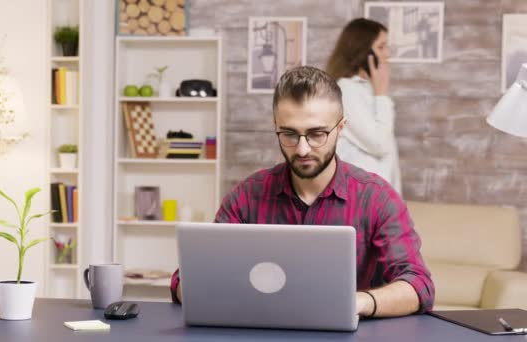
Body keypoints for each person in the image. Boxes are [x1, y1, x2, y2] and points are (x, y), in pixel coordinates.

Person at [170, 66, 434, 318]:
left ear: (341, 129)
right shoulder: (247, 196)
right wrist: (201, 291)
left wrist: (358, 302)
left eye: (317, 134)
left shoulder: (377, 198)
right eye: (289, 134)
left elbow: (418, 285)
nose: (303, 149)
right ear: (276, 126)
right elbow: (185, 280)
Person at [325, 18, 402, 194]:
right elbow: (379, 144)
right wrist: (381, 94)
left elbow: (388, 157)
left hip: (379, 200)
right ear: (362, 51)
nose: (387, 54)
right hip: (360, 198)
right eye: (381, 47)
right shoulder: (346, 91)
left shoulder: (367, 90)